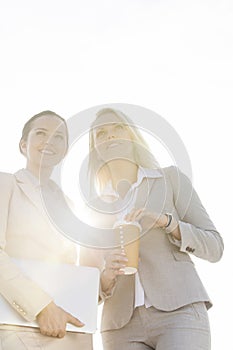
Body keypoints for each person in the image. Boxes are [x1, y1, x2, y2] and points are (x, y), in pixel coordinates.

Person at [80, 107, 224, 350]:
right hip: (120, 328)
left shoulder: (171, 180)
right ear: (95, 149)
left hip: (180, 312)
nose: (110, 136)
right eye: (101, 134)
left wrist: (169, 224)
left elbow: (215, 247)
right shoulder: (93, 210)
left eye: (118, 128)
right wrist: (106, 275)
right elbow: (86, 288)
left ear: (133, 137)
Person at [0, 111, 92, 349]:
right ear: (23, 145)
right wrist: (41, 307)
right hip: (17, 327)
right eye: (41, 133)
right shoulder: (5, 184)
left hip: (68, 333)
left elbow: (72, 275)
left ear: (65, 150)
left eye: (59, 137)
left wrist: (103, 285)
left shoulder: (72, 207)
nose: (50, 141)